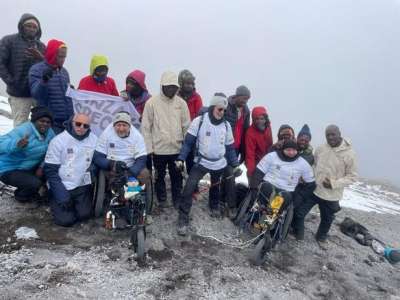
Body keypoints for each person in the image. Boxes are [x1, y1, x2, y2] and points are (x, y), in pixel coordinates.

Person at [176, 93, 242, 235]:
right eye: (219, 109)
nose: (222, 112)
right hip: (201, 162)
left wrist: (235, 164)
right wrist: (181, 158)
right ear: (212, 107)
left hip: (219, 162)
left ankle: (214, 206)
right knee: (189, 188)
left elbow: (230, 148)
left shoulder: (226, 126)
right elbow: (188, 143)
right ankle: (183, 217)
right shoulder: (199, 121)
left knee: (216, 184)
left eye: (224, 110)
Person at [292, 125, 357, 245]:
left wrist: (333, 184)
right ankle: (299, 234)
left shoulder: (349, 154)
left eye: (333, 134)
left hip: (331, 195)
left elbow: (352, 177)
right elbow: (314, 165)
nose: (330, 137)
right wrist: (305, 177)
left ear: (339, 134)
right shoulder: (321, 148)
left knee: (326, 219)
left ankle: (321, 238)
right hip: (315, 189)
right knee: (300, 213)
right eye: (328, 135)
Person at [141, 71, 190, 209]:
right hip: (158, 149)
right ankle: (162, 199)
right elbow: (146, 127)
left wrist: (186, 148)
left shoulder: (181, 104)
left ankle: (177, 199)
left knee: (177, 176)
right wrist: (149, 149)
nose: (171, 89)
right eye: (169, 86)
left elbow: (186, 126)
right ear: (162, 85)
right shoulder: (151, 103)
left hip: (177, 149)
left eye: (174, 87)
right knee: (159, 176)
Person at [44, 113, 97, 226]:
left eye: (85, 126)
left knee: (85, 215)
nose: (81, 128)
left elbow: (99, 158)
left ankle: (75, 203)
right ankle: (55, 199)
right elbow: (50, 171)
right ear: (72, 123)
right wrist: (60, 193)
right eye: (78, 124)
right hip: (62, 184)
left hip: (81, 184)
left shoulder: (93, 139)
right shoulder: (58, 141)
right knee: (66, 221)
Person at [250, 139, 315, 223]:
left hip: (286, 190)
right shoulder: (272, 156)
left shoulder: (302, 163)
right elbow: (259, 171)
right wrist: (254, 186)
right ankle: (255, 215)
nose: (291, 152)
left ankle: (266, 222)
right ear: (283, 149)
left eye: (294, 150)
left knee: (282, 198)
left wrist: (300, 197)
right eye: (288, 150)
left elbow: (311, 183)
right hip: (269, 183)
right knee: (266, 188)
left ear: (297, 151)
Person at [0, 106, 54, 202]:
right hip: (9, 168)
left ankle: (30, 189)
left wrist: (41, 167)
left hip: (27, 167)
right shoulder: (24, 130)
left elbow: (51, 152)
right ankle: (21, 195)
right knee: (35, 183)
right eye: (42, 121)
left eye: (48, 122)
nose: (45, 124)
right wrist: (16, 144)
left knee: (50, 173)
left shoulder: (50, 133)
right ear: (34, 121)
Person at [0, 13, 45, 127]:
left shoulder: (41, 46)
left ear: (38, 29)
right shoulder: (8, 41)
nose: (31, 28)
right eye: (28, 25)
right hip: (18, 93)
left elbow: (47, 66)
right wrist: (12, 82)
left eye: (35, 27)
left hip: (37, 93)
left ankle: (36, 145)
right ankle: (19, 145)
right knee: (20, 125)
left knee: (41, 123)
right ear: (21, 26)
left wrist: (41, 58)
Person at [93, 111, 151, 198]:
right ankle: (114, 194)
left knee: (145, 174)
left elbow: (141, 159)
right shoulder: (106, 134)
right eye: (118, 125)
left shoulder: (137, 136)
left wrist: (131, 172)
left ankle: (133, 194)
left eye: (124, 125)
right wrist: (112, 164)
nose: (121, 129)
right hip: (112, 166)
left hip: (130, 167)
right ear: (114, 126)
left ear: (129, 126)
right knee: (108, 177)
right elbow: (97, 157)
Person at [29, 39, 73, 134]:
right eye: (60, 56)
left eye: (64, 57)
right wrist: (44, 81)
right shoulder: (36, 69)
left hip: (67, 122)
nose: (63, 59)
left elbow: (67, 97)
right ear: (52, 54)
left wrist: (72, 92)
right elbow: (36, 94)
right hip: (50, 123)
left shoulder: (64, 72)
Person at [178, 69, 203, 196]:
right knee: (178, 160)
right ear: (181, 83)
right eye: (187, 83)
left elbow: (200, 116)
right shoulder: (175, 96)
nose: (189, 86)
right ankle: (178, 185)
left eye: (191, 83)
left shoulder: (196, 97)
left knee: (192, 162)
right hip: (177, 133)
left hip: (193, 134)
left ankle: (194, 187)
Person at [245, 106, 273, 179]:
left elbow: (270, 144)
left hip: (269, 159)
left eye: (262, 119)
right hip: (257, 162)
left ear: (265, 119)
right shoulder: (250, 133)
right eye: (257, 119)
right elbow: (250, 154)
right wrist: (251, 172)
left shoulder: (268, 127)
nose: (260, 121)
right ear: (253, 120)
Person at [226, 85, 251, 161]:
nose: (245, 101)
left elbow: (245, 131)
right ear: (237, 96)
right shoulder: (226, 105)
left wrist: (243, 150)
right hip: (224, 144)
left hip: (236, 146)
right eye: (244, 98)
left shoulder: (246, 111)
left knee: (231, 171)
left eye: (247, 99)